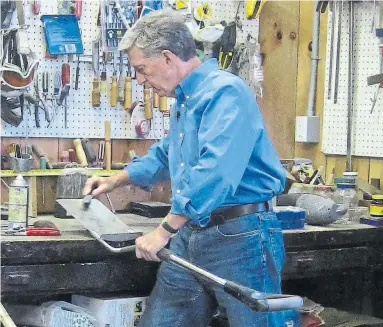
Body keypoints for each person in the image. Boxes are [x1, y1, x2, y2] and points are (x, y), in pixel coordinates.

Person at [84, 9, 288, 327]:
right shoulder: (186, 99)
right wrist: (116, 180)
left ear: (167, 58)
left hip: (241, 236)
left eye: (141, 69)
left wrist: (164, 230)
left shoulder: (225, 93)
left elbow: (214, 173)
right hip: (192, 233)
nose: (139, 80)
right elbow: (169, 154)